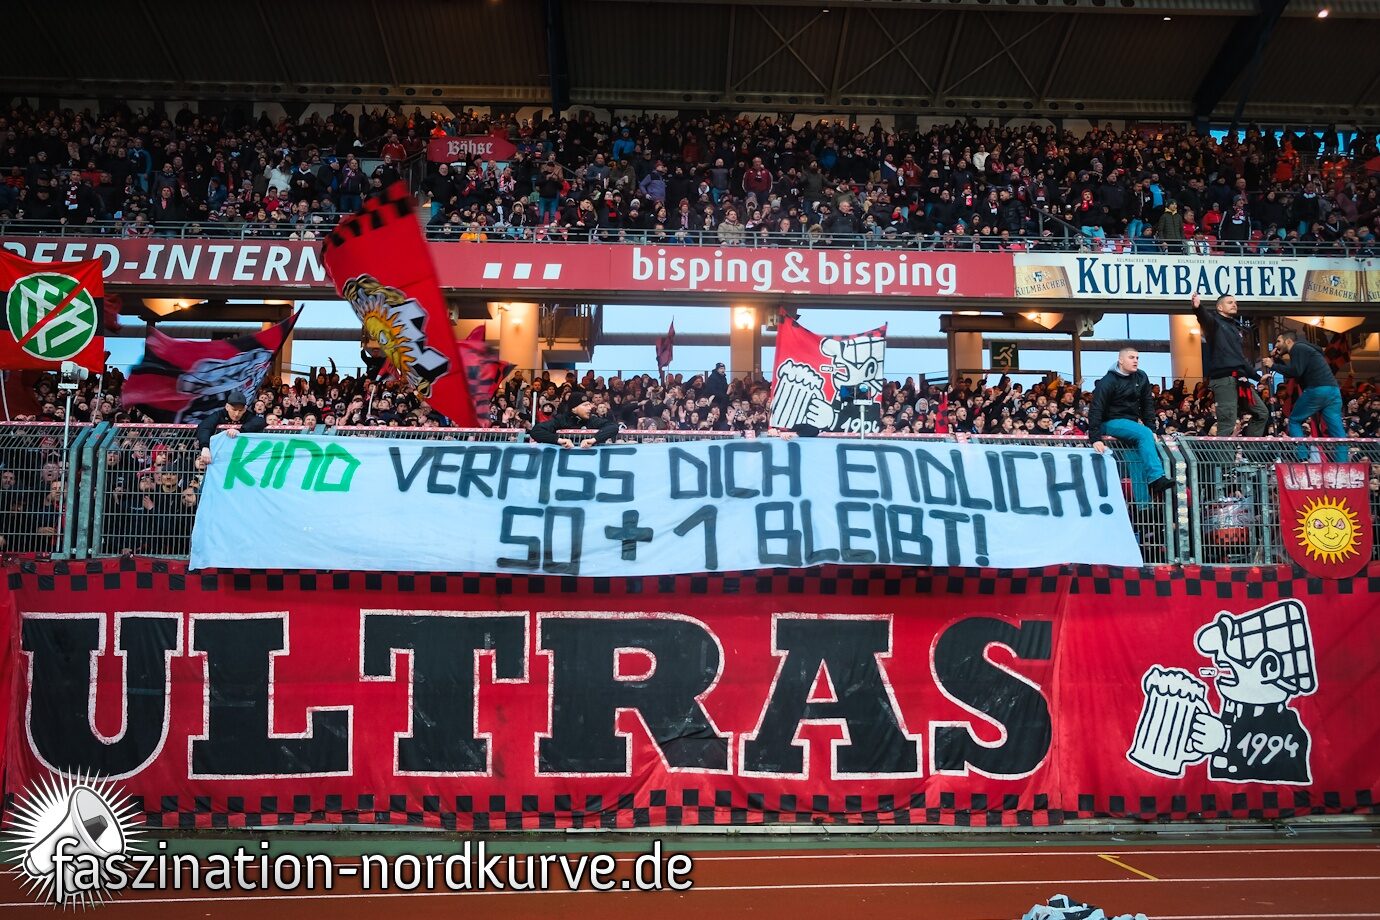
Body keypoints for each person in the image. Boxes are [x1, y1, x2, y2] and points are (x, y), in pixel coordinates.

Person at [1087, 347, 1172, 497]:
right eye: (1131, 357)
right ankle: (1157, 477)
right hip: (1110, 422)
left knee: (1135, 460)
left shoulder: (1141, 377)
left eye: (1137, 358)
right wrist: (1095, 438)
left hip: (1130, 423)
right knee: (1143, 433)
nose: (1136, 361)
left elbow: (1147, 404)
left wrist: (1152, 428)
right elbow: (1096, 408)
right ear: (1120, 360)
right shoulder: (1108, 381)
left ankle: (1143, 508)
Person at [1191, 292, 1267, 437]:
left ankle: (1251, 455)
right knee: (1228, 423)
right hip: (1224, 380)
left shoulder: (1233, 328)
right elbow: (1205, 318)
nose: (1234, 304)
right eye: (1230, 302)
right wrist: (1198, 308)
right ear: (1219, 307)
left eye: (1235, 302)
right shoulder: (1214, 323)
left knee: (1262, 413)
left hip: (1240, 379)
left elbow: (1240, 358)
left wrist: (1257, 378)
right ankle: (1224, 460)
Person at [1265, 330, 1348, 461]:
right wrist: (1277, 360)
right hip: (1333, 391)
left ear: (1288, 341)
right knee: (1337, 431)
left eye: (1278, 342)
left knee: (1294, 420)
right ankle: (1343, 464)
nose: (1276, 345)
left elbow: (1296, 371)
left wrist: (1273, 365)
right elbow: (1294, 371)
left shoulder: (1298, 348)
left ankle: (1302, 457)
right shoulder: (1306, 350)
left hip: (1317, 390)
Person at [196, 391, 267, 466]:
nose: (237, 414)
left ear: (245, 409)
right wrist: (205, 447)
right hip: (220, 455)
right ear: (227, 407)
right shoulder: (219, 414)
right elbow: (204, 426)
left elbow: (260, 422)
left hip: (241, 455)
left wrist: (240, 430)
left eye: (240, 410)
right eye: (234, 409)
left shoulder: (248, 415)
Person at [528, 396, 619, 448]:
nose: (590, 408)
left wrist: (593, 440)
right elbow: (536, 431)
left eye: (589, 405)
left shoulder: (592, 419)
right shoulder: (561, 419)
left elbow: (613, 427)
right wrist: (560, 440)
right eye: (585, 405)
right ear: (574, 409)